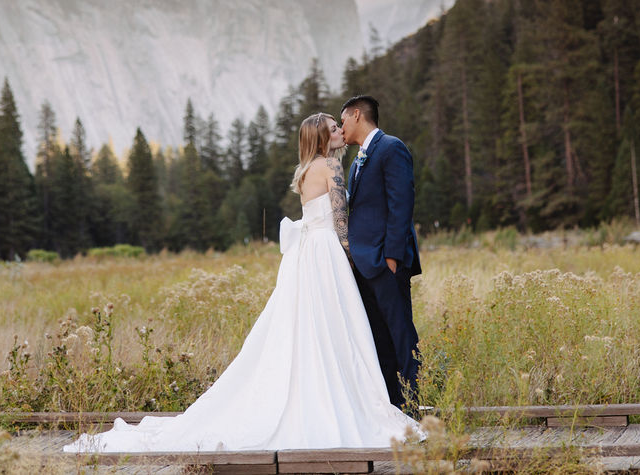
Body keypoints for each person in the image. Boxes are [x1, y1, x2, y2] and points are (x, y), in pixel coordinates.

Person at [64, 113, 419, 453]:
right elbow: (341, 222)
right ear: (323, 137)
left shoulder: (305, 170)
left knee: (306, 328)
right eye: (333, 127)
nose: (340, 131)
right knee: (336, 327)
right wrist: (352, 256)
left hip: (305, 255)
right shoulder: (331, 166)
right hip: (325, 251)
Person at [339, 95, 421, 409]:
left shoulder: (391, 147)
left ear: (357, 115)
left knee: (401, 335)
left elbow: (402, 204)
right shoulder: (358, 158)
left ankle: (415, 406)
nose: (341, 127)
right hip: (364, 265)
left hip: (386, 263)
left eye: (343, 119)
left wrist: (392, 258)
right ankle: (393, 407)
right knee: (379, 339)